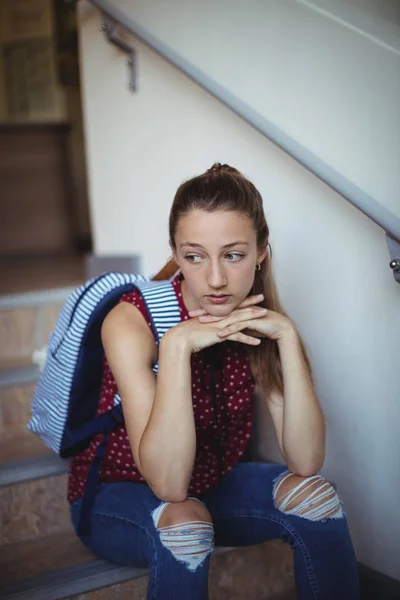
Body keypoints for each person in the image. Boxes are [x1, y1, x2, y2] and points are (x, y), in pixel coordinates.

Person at [69, 163, 360, 599]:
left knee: (317, 498)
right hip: (118, 498)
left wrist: (287, 337)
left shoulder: (259, 318)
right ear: (175, 251)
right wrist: (175, 347)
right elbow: (168, 486)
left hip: (213, 487)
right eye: (194, 256)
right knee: (186, 523)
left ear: (261, 251)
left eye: (234, 254)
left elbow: (306, 460)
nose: (217, 279)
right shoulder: (131, 323)